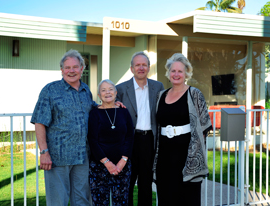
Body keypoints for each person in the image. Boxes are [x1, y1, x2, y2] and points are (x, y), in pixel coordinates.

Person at [30, 49, 97, 206]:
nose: (71, 71)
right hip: (58, 157)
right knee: (57, 201)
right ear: (61, 70)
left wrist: (113, 105)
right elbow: (40, 122)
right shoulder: (50, 90)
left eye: (75, 67)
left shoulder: (86, 90)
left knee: (82, 201)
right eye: (67, 67)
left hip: (82, 156)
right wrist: (44, 152)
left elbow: (94, 108)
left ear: (82, 68)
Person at [153, 53, 212, 206]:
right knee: (166, 198)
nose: (176, 74)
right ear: (168, 73)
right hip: (165, 158)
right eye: (173, 71)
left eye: (180, 71)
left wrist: (195, 155)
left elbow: (204, 127)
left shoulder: (194, 94)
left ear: (186, 73)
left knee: (188, 200)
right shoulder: (161, 95)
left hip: (187, 158)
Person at [116, 51, 164, 206]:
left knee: (146, 183)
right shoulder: (120, 89)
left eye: (144, 65)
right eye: (138, 65)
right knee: (127, 184)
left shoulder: (158, 87)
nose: (141, 68)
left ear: (149, 68)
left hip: (149, 141)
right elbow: (106, 108)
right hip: (128, 142)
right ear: (131, 68)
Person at [88, 79, 134, 205]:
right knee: (100, 202)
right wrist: (107, 163)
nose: (107, 92)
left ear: (115, 92)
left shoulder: (123, 111)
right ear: (99, 96)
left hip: (122, 166)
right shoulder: (94, 113)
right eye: (103, 90)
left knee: (121, 201)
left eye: (110, 89)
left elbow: (130, 136)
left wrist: (122, 161)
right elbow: (92, 140)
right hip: (99, 166)